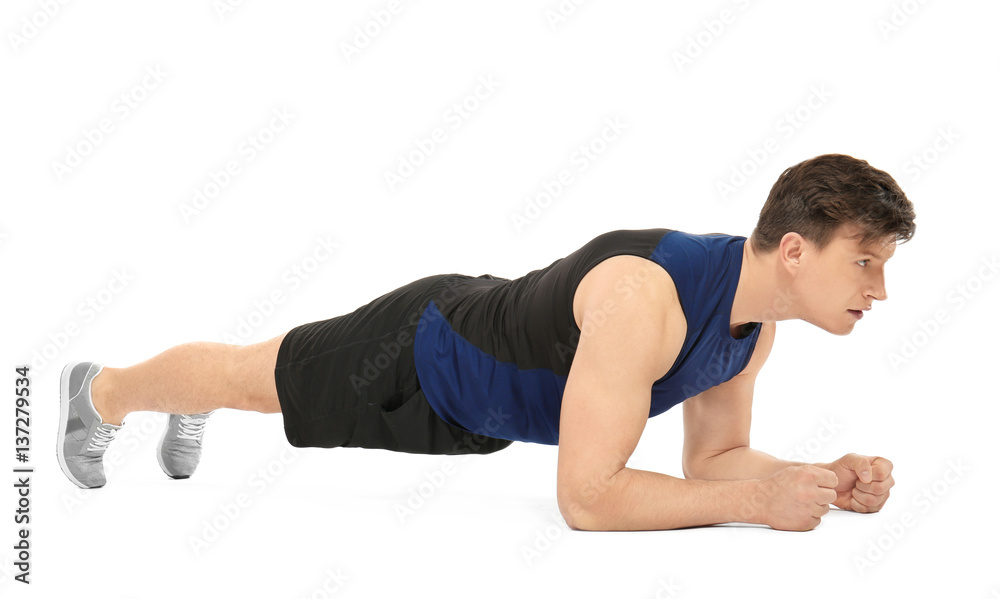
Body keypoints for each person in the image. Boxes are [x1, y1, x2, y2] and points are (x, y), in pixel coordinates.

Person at [57, 153, 913, 532]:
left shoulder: (750, 330)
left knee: (256, 380)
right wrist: (758, 505)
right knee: (255, 379)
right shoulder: (643, 296)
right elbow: (586, 498)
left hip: (480, 404)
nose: (878, 290)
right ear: (796, 251)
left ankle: (182, 401)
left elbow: (713, 458)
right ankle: (103, 392)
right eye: (865, 261)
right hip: (419, 352)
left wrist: (810, 478)